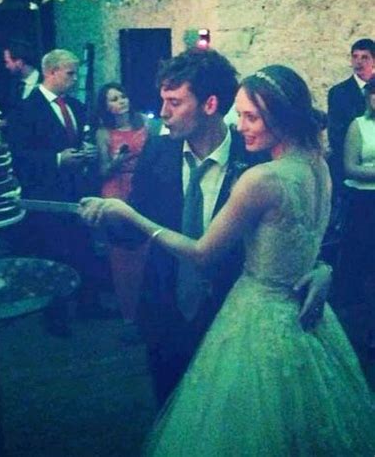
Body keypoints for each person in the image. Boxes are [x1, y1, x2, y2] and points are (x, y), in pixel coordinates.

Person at [80, 65, 375, 455]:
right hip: (168, 314)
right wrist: (110, 218)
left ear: (210, 105)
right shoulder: (158, 150)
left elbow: (291, 227)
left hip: (236, 323)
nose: (162, 113)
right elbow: (135, 223)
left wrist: (321, 268)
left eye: (173, 102)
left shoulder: (258, 163)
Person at [5, 49, 99, 329]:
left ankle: (88, 305)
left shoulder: (76, 106)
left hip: (77, 190)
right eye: (70, 73)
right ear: (51, 72)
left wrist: (88, 151)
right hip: (46, 194)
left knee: (83, 247)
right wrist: (57, 159)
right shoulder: (25, 108)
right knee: (52, 253)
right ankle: (55, 315)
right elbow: (17, 155)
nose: (74, 79)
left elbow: (80, 137)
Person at [95, 82, 151, 342]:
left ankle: (145, 310)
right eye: (114, 99)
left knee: (146, 249)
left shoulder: (146, 125)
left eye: (123, 95)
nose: (121, 102)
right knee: (121, 254)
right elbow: (103, 171)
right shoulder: (104, 133)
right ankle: (128, 312)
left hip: (142, 189)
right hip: (116, 189)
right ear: (106, 106)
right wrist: (119, 160)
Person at [338, 76, 375, 357]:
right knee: (360, 265)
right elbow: (349, 167)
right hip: (363, 202)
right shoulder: (358, 126)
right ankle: (355, 328)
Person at [327, 38, 374, 218]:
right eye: (355, 57)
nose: (358, 62)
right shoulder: (339, 92)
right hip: (350, 173)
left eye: (365, 57)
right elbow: (336, 134)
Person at [2, 39, 40, 114]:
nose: (6, 66)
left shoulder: (45, 82)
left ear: (19, 62)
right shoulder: (11, 85)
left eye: (7, 62)